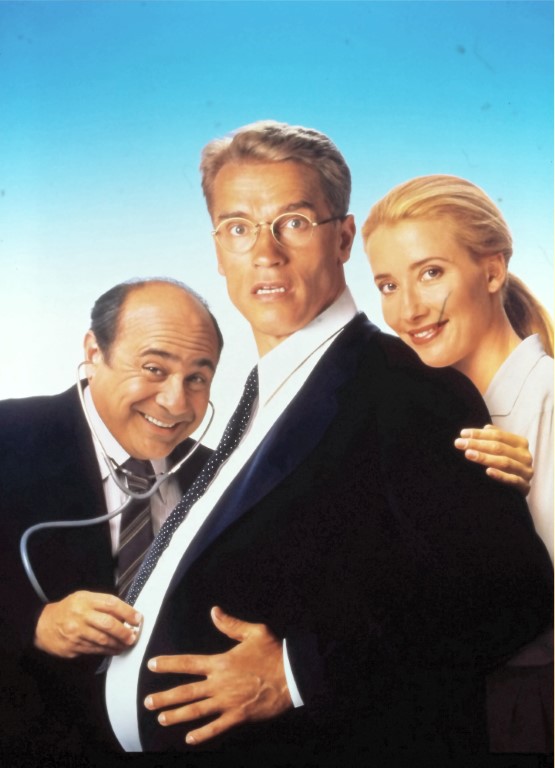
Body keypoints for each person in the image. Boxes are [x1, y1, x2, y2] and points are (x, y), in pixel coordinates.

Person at [105, 122, 553, 762]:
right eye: (238, 227)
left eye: (292, 222)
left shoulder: (405, 387)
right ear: (218, 249)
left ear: (343, 239)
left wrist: (294, 673)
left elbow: (510, 594)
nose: (265, 252)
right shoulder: (260, 396)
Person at [362, 174, 553, 753]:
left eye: (431, 273)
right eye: (388, 285)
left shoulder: (547, 401)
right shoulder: (423, 424)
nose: (408, 309)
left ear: (492, 271)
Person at [0, 278, 221, 761]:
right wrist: (34, 622)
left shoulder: (220, 472)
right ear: (93, 352)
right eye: (154, 369)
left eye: (197, 379)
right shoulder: (8, 437)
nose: (175, 402)